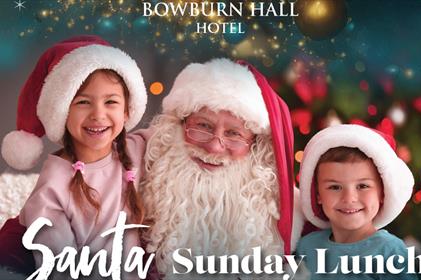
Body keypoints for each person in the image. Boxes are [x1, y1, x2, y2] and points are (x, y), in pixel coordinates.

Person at [0, 35, 148, 279]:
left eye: (111, 101)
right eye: (83, 102)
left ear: (127, 109)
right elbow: (61, 270)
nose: (98, 114)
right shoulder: (52, 189)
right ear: (61, 111)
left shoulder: (138, 148)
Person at [140, 58, 303, 278]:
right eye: (203, 126)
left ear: (256, 147)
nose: (215, 147)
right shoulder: (137, 187)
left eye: (234, 134)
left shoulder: (292, 215)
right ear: (177, 126)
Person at [297, 124, 417, 279]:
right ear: (318, 194)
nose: (349, 198)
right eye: (334, 187)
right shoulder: (307, 246)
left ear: (382, 193)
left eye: (362, 186)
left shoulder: (390, 252)